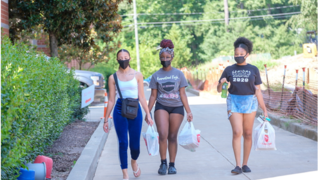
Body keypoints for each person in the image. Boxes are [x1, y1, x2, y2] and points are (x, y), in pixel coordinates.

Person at [217, 37, 268, 175]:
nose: (238, 56)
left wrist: (264, 110)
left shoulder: (254, 69)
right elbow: (218, 89)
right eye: (236, 54)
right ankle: (237, 165)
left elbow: (258, 90)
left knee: (248, 133)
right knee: (237, 132)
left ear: (247, 54)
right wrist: (221, 83)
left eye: (241, 54)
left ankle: (245, 164)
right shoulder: (228, 69)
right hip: (233, 101)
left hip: (250, 102)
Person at [103, 49, 154, 180]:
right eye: (121, 57)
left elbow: (142, 97)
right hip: (120, 110)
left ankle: (133, 161)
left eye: (126, 57)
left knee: (135, 145)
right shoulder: (112, 78)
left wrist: (148, 114)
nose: (123, 59)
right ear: (117, 60)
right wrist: (105, 120)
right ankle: (125, 173)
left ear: (130, 58)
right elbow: (111, 100)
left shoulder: (138, 75)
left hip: (135, 110)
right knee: (123, 142)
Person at [146, 39, 193, 175]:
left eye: (167, 57)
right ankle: (163, 163)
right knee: (163, 135)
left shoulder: (179, 74)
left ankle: (172, 165)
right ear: (159, 58)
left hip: (177, 107)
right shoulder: (156, 75)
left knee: (172, 136)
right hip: (161, 106)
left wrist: (189, 111)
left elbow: (183, 94)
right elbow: (153, 96)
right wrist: (148, 113)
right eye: (162, 57)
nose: (165, 59)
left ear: (172, 57)